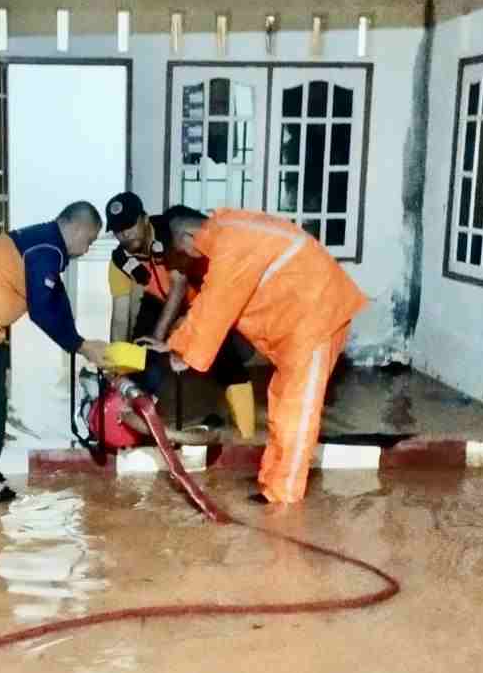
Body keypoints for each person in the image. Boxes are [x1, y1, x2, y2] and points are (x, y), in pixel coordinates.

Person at [153, 206, 367, 505]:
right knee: (283, 402)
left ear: (187, 235)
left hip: (318, 316)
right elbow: (210, 298)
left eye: (181, 249)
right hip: (301, 322)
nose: (187, 256)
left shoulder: (230, 241)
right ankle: (273, 483)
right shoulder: (228, 231)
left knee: (296, 410)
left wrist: (183, 353)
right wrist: (178, 340)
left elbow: (217, 303)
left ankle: (285, 499)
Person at [0, 201, 111, 502]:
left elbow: (57, 301)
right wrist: (79, 345)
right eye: (89, 240)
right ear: (78, 227)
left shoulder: (47, 245)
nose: (86, 249)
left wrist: (81, 341)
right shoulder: (46, 247)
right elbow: (42, 310)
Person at [104, 193, 257, 437]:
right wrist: (115, 361)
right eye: (119, 230)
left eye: (130, 224)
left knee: (227, 358)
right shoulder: (119, 261)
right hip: (157, 302)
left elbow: (179, 287)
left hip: (197, 299)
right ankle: (139, 426)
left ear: (144, 219)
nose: (126, 234)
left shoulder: (169, 232)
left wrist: (161, 338)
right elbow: (121, 316)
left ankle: (247, 435)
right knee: (138, 356)